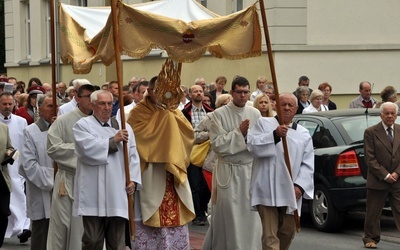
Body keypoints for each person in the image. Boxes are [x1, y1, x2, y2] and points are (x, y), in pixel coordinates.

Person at [128, 76, 195, 249]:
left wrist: (169, 120)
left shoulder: (175, 111)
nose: (164, 95)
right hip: (151, 171)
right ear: (149, 92)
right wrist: (164, 121)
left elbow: (187, 134)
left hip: (172, 173)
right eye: (159, 91)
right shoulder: (138, 112)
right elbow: (140, 138)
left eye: (167, 91)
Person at [72, 90, 141, 250]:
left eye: (110, 103)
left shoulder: (124, 127)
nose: (107, 107)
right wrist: (113, 140)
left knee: (117, 241)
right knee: (93, 239)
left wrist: (133, 181)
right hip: (93, 192)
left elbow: (133, 156)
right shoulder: (83, 125)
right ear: (92, 105)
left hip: (117, 191)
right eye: (102, 103)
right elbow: (85, 150)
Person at [247, 92, 314, 250]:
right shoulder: (263, 124)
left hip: (290, 190)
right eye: (283, 104)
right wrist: (274, 135)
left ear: (296, 109)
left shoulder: (304, 134)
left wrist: (300, 186)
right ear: (276, 106)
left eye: (291, 105)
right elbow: (253, 146)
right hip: (267, 188)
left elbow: (308, 164)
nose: (286, 108)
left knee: (287, 232)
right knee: (270, 237)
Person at [202, 76, 262, 250]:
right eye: (239, 92)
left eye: (246, 92)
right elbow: (218, 145)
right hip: (227, 171)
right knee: (228, 214)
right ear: (232, 92)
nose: (243, 96)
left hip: (249, 171)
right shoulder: (218, 115)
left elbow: (259, 142)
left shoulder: (255, 113)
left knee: (250, 216)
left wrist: (246, 138)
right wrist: (239, 133)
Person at [46, 84, 96, 250]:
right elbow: (53, 147)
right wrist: (84, 150)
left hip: (94, 181)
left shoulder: (103, 122)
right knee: (63, 227)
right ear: (78, 99)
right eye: (88, 96)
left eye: (94, 96)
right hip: (68, 181)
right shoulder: (64, 120)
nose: (92, 100)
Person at [19, 94, 57, 249]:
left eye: (56, 106)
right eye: (49, 106)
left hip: (63, 189)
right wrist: (53, 181)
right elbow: (29, 165)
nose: (54, 110)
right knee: (41, 233)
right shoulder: (30, 131)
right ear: (39, 109)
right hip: (41, 189)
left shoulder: (65, 129)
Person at [362, 102, 400, 248]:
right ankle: (370, 238)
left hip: (397, 180)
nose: (390, 116)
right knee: (373, 211)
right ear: (381, 115)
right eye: (387, 113)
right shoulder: (371, 132)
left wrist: (396, 173)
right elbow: (369, 158)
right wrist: (385, 175)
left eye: (392, 113)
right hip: (378, 179)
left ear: (396, 115)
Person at [182, 85, 213, 226]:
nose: (199, 93)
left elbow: (215, 131)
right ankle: (197, 214)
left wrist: (200, 135)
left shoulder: (210, 111)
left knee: (206, 185)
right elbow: (188, 135)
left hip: (208, 152)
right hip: (192, 153)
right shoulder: (185, 113)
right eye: (196, 91)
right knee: (194, 184)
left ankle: (204, 209)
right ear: (190, 94)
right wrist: (206, 135)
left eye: (201, 91)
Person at [0, 123, 14, 248]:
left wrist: (10, 152)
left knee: (3, 213)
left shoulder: (3, 127)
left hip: (2, 178)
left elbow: (10, 146)